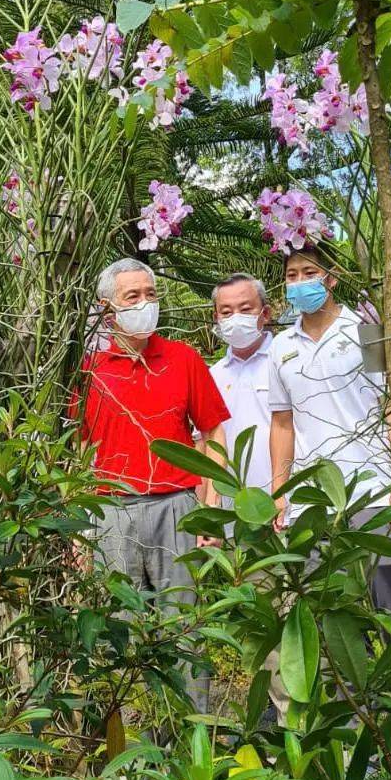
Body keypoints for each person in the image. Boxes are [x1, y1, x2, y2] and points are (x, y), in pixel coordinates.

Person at [75, 256, 229, 709]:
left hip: (177, 507)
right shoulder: (87, 369)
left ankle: (191, 741)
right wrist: (81, 530)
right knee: (115, 632)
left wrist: (209, 505)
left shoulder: (182, 358)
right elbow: (76, 448)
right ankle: (135, 751)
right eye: (132, 297)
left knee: (184, 629)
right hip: (110, 514)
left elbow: (213, 430)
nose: (145, 304)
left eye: (151, 295)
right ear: (107, 309)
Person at [267, 244, 391, 617]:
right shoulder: (280, 346)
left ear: (331, 278)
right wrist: (279, 492)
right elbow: (282, 423)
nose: (299, 283)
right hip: (310, 502)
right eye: (291, 276)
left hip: (371, 491)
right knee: (328, 615)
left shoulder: (366, 330)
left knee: (389, 606)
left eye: (309, 274)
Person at [210, 274, 273, 492]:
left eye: (245, 310)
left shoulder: (285, 361)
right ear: (216, 317)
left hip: (288, 499)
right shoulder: (213, 375)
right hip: (232, 504)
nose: (236, 318)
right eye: (226, 312)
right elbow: (205, 442)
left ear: (265, 313)